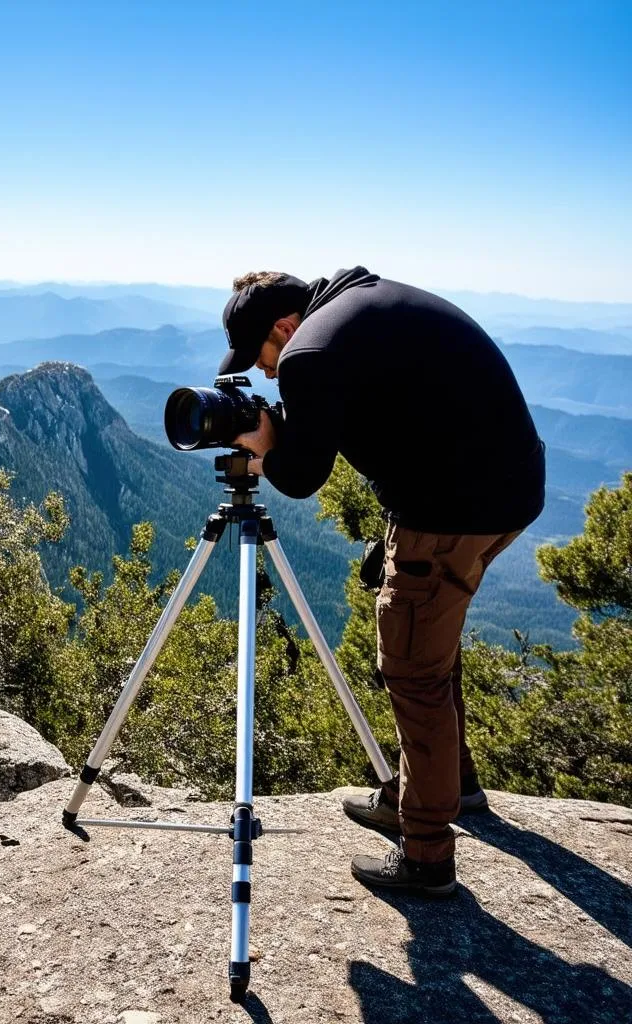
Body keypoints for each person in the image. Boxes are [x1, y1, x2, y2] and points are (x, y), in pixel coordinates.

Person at [222, 266, 545, 897]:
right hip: (509, 489)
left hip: (453, 510)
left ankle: (425, 850)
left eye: (262, 355)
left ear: (284, 327)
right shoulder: (360, 308)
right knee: (433, 645)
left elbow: (301, 476)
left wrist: (263, 447)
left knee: (412, 666)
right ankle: (455, 786)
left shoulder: (310, 350)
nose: (264, 372)